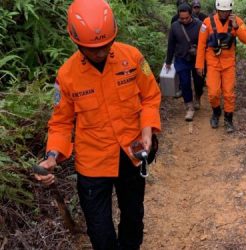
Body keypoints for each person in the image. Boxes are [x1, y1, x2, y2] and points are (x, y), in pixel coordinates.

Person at [33, 0, 161, 249]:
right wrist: (51, 156)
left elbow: (150, 97)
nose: (101, 52)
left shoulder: (132, 57)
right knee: (100, 232)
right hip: (93, 162)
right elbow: (60, 121)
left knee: (133, 218)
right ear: (76, 41)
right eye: (93, 49)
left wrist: (147, 131)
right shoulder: (67, 75)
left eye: (106, 45)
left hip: (131, 153)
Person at [195, 0, 246, 133]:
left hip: (228, 63)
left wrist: (236, 27)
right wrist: (199, 65)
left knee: (229, 94)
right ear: (217, 10)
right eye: (222, 11)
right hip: (213, 63)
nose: (225, 14)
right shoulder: (207, 23)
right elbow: (201, 45)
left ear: (231, 10)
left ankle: (228, 119)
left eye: (227, 11)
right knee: (213, 93)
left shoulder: (236, 21)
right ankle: (216, 112)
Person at [165, 3, 204, 121]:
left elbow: (206, 41)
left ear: (191, 15)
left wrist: (199, 50)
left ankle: (198, 96)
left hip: (197, 59)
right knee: (185, 82)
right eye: (182, 18)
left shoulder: (200, 25)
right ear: (178, 16)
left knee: (199, 82)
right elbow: (171, 44)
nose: (184, 20)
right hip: (181, 58)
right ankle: (189, 107)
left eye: (186, 18)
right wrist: (168, 61)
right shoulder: (175, 26)